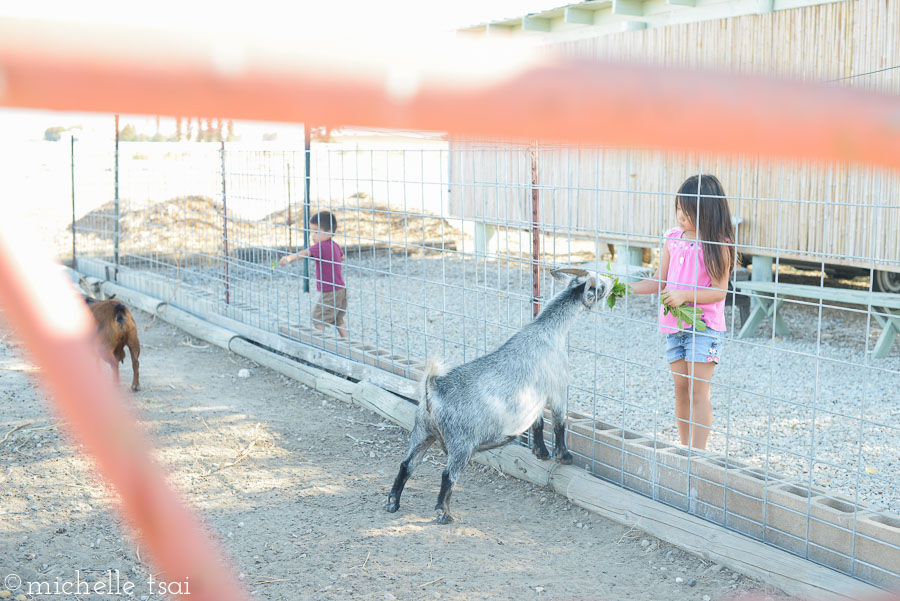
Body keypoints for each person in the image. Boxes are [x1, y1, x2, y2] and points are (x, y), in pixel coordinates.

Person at [630, 174, 735, 449]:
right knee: (681, 389)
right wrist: (624, 288)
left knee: (699, 391)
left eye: (687, 211)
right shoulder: (672, 239)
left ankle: (697, 456)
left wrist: (684, 295)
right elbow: (658, 281)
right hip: (674, 326)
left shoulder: (719, 245)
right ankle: (684, 448)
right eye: (678, 208)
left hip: (704, 327)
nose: (680, 216)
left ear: (707, 211)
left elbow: (720, 291)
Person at [279, 211, 348, 338]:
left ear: (328, 232)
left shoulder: (320, 246)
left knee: (318, 317)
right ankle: (348, 343)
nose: (313, 236)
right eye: (312, 231)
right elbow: (342, 257)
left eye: (316, 232)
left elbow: (305, 253)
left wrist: (289, 258)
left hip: (330, 290)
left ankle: (322, 343)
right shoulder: (334, 245)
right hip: (341, 289)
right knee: (338, 318)